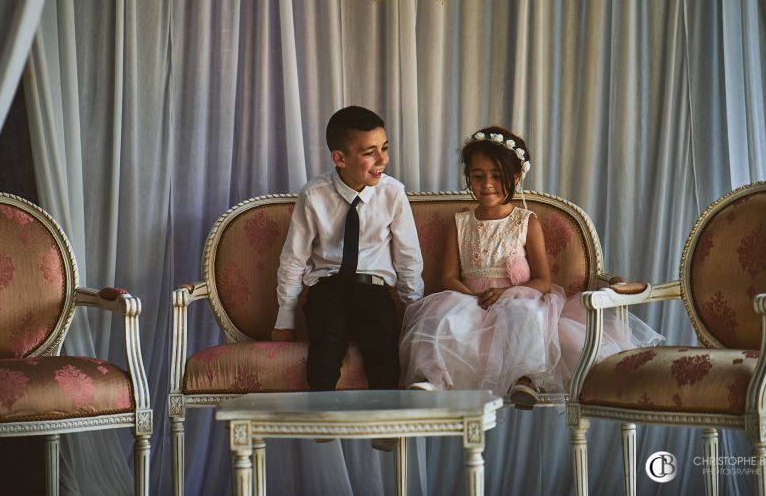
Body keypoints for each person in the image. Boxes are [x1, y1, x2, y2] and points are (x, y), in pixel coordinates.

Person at [400, 126, 662, 405]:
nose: (487, 184)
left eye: (497, 177)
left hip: (515, 299)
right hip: (471, 299)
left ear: (515, 177)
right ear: (468, 178)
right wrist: (470, 296)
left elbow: (543, 281)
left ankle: (524, 380)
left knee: (524, 314)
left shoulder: (526, 221)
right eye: (478, 176)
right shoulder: (461, 222)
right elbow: (448, 276)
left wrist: (505, 294)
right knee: (444, 317)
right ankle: (432, 379)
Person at [271, 106, 424, 393]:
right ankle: (322, 419)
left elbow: (408, 257)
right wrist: (284, 318)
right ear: (339, 158)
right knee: (325, 351)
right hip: (328, 289)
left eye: (385, 148)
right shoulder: (314, 195)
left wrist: (413, 311)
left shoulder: (393, 193)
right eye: (369, 153)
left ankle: (386, 427)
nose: (382, 160)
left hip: (374, 288)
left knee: (383, 354)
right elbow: (293, 258)